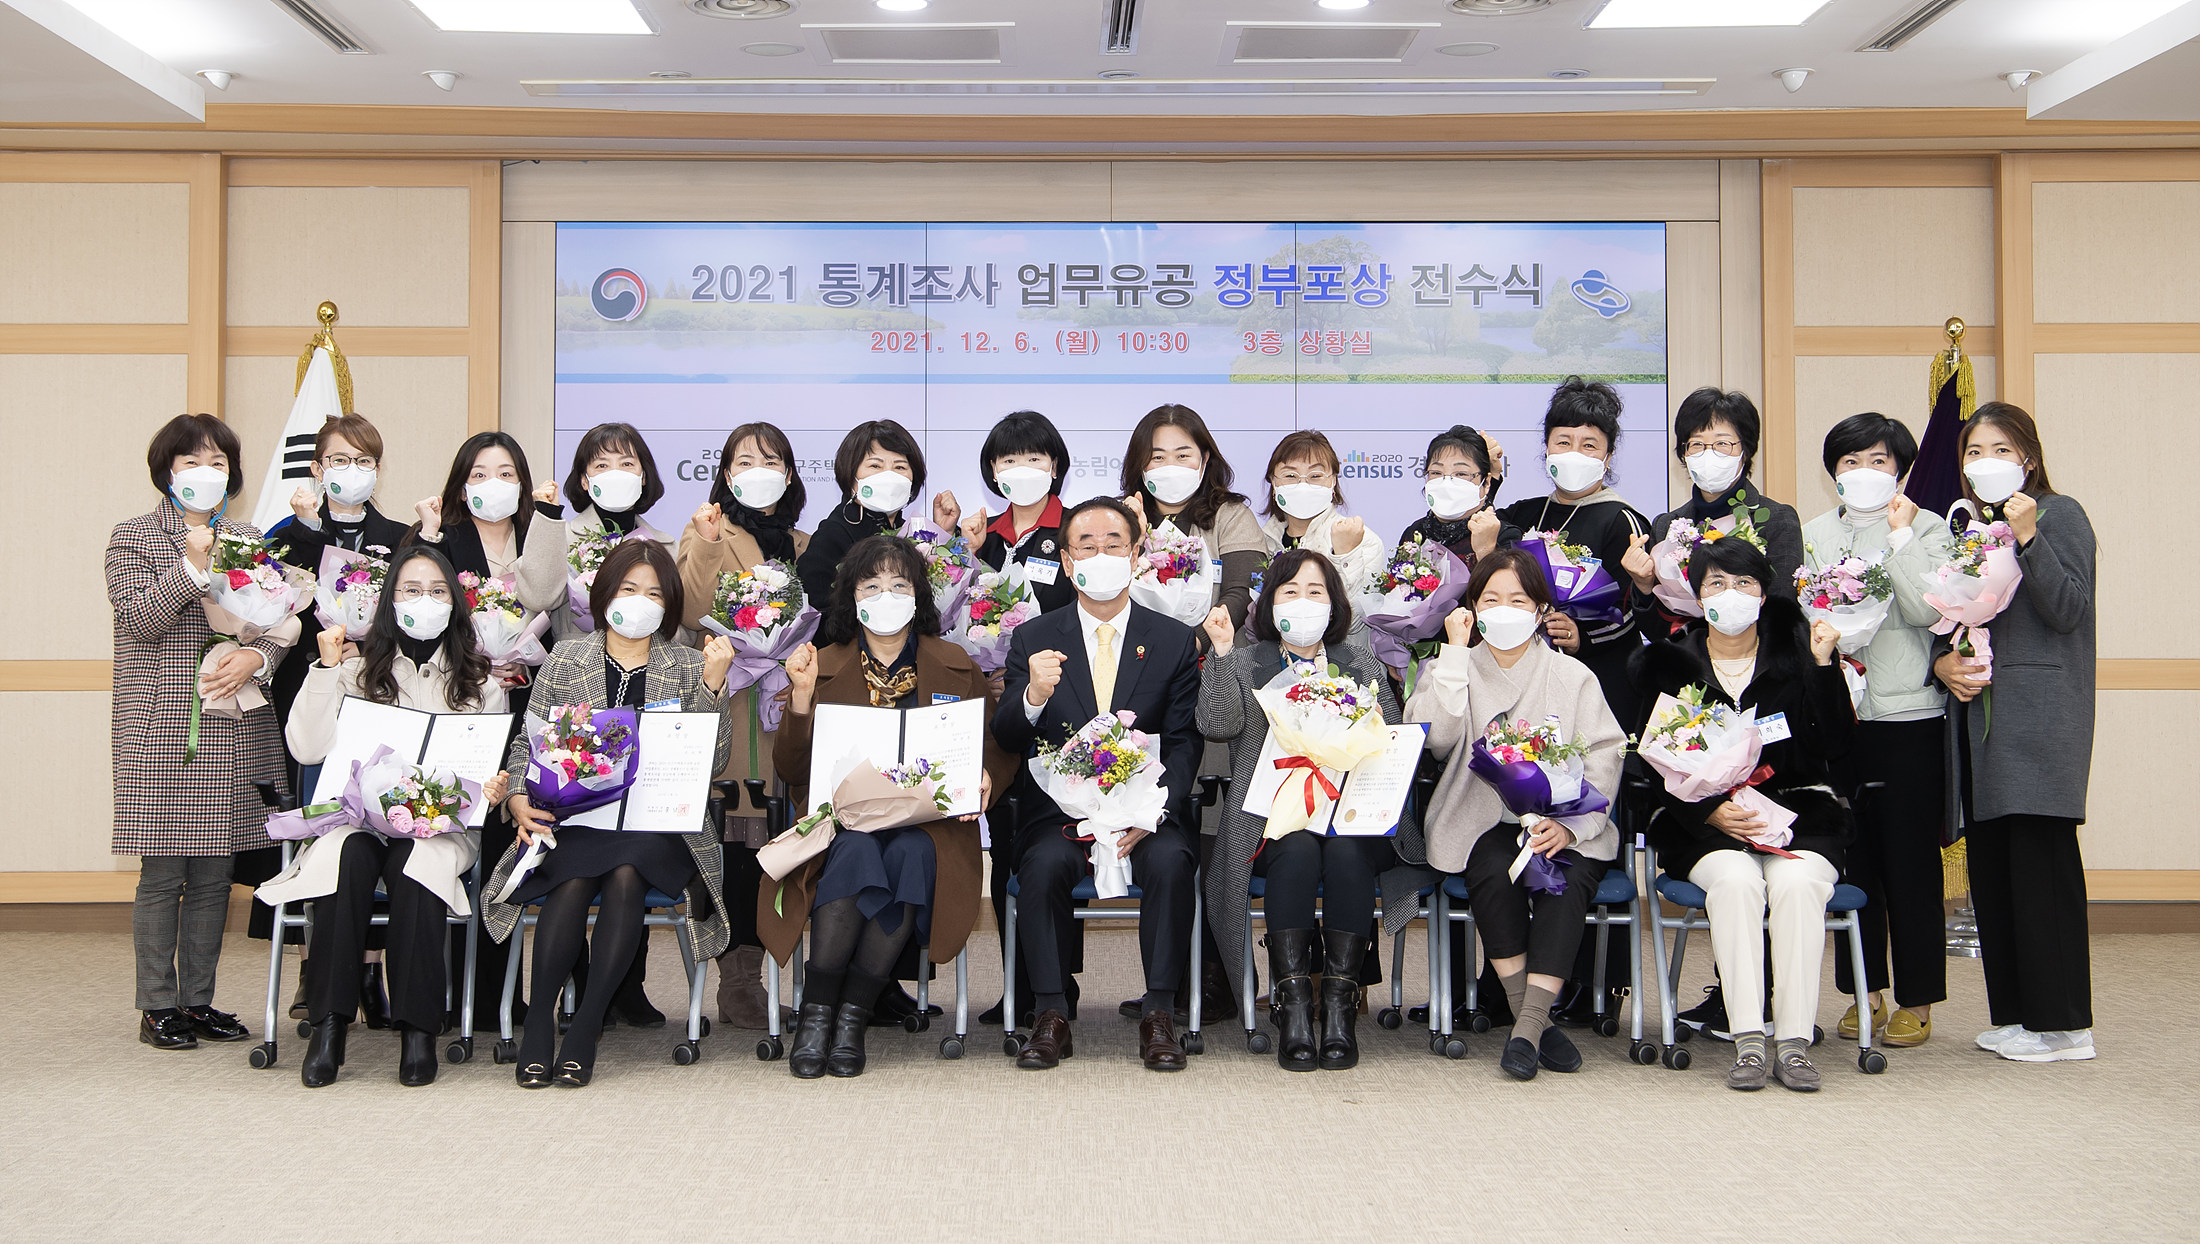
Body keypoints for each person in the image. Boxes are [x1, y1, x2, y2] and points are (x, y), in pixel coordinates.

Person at [483, 540, 737, 1088]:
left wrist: (714, 687)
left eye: (654, 593)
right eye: (628, 588)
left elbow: (712, 763)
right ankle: (539, 1023)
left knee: (625, 872)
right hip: (577, 819)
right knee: (573, 880)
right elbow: (528, 742)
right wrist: (518, 797)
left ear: (669, 605)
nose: (640, 601)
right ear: (604, 594)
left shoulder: (690, 665)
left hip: (657, 827)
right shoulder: (566, 658)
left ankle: (586, 1026)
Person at [761, 535, 1016, 1077]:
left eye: (899, 585)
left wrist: (986, 773)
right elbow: (791, 770)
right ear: (851, 597)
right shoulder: (821, 665)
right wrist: (801, 700)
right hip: (842, 826)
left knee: (911, 855)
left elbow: (994, 742)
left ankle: (851, 1017)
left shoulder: (955, 663)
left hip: (931, 827)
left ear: (918, 596)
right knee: (857, 852)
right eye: (871, 585)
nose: (886, 596)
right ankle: (818, 1014)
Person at [263, 545, 510, 1087]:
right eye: (411, 590)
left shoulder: (482, 685)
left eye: (438, 591)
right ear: (390, 600)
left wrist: (491, 790)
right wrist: (326, 670)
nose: (425, 600)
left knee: (415, 863)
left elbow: (482, 776)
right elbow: (306, 748)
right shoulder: (354, 672)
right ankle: (329, 1024)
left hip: (437, 828)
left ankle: (418, 1027)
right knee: (346, 858)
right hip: (356, 819)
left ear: (456, 603)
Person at [1633, 536, 1852, 1092]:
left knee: (1797, 883)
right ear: (1697, 595)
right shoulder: (1667, 664)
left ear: (1763, 593)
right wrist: (1710, 813)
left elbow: (1836, 746)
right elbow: (1648, 766)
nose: (1730, 594)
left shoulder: (1800, 655)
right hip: (1701, 824)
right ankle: (1749, 1039)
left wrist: (1823, 666)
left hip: (1798, 813)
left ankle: (1794, 1041)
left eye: (1744, 583)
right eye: (1717, 583)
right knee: (1735, 882)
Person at [993, 497, 1203, 1072]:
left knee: (1171, 862)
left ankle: (1160, 1012)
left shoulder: (1173, 639)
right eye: (1086, 545)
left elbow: (1183, 741)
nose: (1101, 554)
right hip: (1061, 813)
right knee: (1042, 865)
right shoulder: (1034, 636)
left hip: (1146, 812)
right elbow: (1007, 734)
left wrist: (1153, 813)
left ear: (1136, 556)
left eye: (1114, 544)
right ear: (1066, 561)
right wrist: (1032, 695)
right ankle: (1051, 1012)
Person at [110, 414, 294, 1050]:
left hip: (232, 727)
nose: (205, 472)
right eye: (191, 461)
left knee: (216, 878)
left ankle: (197, 1001)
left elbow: (278, 621)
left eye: (217, 462)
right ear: (167, 470)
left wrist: (257, 657)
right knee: (164, 876)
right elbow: (140, 617)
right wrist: (191, 564)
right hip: (161, 729)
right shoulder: (134, 537)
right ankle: (157, 1005)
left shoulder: (248, 538)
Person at [1406, 548, 1626, 1080]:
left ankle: (1526, 1027)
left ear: (1541, 608)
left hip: (1565, 822)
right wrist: (1453, 655)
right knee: (1489, 868)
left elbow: (1606, 752)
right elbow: (1434, 740)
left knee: (1565, 879)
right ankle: (1535, 1022)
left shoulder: (1573, 676)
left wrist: (1570, 827)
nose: (1504, 610)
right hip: (1481, 819)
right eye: (1491, 600)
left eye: (1518, 600)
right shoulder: (1451, 667)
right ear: (1472, 608)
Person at [1934, 403, 2097, 1063]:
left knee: (2040, 869)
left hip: (2039, 718)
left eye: (2001, 449)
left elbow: (2069, 609)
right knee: (1996, 870)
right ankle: (2020, 1016)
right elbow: (1952, 616)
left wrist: (2028, 538)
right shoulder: (1971, 526)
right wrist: (1943, 664)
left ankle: (2065, 1027)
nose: (1986, 462)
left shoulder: (2061, 514)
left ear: (2028, 457)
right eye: (1974, 452)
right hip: (1980, 718)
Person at [1196, 548, 1401, 1072]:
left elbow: (1394, 734)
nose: (1304, 602)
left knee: (1348, 858)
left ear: (1334, 604)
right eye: (1290, 592)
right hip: (1270, 822)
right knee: (1298, 853)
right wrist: (1221, 653)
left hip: (1351, 816)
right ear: (1269, 603)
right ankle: (1293, 1009)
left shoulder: (1361, 662)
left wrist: (1364, 725)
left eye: (1316, 592)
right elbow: (1217, 725)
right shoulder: (1247, 661)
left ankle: (1339, 1009)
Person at [1802, 413, 1954, 1048]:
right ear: (1833, 471)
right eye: (1850, 461)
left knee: (1909, 862)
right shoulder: (1814, 533)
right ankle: (1864, 991)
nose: (1864, 472)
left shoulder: (1929, 528)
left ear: (1900, 470)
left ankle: (1917, 997)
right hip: (1841, 717)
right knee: (1851, 859)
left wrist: (1899, 539)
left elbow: (1927, 610)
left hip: (1907, 715)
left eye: (1878, 461)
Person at [402, 430, 554, 1028]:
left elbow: (560, 612)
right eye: (481, 474)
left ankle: (498, 996)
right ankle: (446, 993)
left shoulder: (541, 532)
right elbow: (414, 616)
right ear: (462, 486)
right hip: (459, 707)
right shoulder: (440, 537)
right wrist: (476, 666)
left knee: (511, 846)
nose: (496, 484)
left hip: (528, 706)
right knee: (456, 832)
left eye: (507, 473)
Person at [673, 421, 810, 1029]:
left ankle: (779, 970)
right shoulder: (708, 531)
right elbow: (689, 610)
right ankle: (737, 981)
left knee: (781, 842)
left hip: (786, 712)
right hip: (727, 710)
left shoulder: (805, 544)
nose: (759, 471)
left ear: (789, 473)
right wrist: (706, 545)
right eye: (745, 461)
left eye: (771, 460)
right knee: (733, 841)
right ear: (726, 475)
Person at [1495, 377, 1653, 728]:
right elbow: (1482, 532)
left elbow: (1634, 611)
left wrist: (1584, 636)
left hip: (1602, 684)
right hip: (1528, 685)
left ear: (1608, 457)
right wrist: (1489, 481)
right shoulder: (1524, 512)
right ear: (1547, 449)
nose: (1574, 454)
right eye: (1563, 442)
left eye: (1589, 445)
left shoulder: (1622, 520)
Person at [1630, 388, 1804, 628]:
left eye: (1722, 443)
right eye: (1696, 444)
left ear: (1745, 451)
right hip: (1689, 650)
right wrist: (1643, 586)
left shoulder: (1776, 519)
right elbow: (1656, 630)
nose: (1708, 453)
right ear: (1684, 453)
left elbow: (1783, 614)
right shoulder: (1667, 526)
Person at [518, 421, 678, 644]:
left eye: (627, 464)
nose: (615, 474)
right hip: (575, 659)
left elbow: (683, 627)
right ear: (585, 480)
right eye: (602, 465)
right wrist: (547, 515)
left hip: (649, 660)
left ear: (643, 477)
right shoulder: (561, 538)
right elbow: (538, 598)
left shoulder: (667, 547)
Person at [1119, 404, 1264, 629]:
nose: (1170, 466)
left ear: (1204, 459)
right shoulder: (1119, 517)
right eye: (1158, 457)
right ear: (1140, 464)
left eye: (1182, 455)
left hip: (1214, 647)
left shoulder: (1232, 515)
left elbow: (1243, 591)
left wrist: (1194, 642)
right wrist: (1132, 538)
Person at [795, 419, 960, 611]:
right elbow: (817, 609)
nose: (888, 476)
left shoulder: (912, 533)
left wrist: (943, 534)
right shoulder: (832, 534)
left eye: (900, 467)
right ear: (850, 474)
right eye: (875, 466)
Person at [960, 409, 1077, 616]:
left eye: (1034, 459)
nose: (1022, 470)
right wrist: (969, 552)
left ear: (1054, 466)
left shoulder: (1076, 529)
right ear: (994, 469)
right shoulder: (981, 534)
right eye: (1009, 461)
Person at [1257, 430, 1383, 602]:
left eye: (1315, 476)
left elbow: (1358, 614)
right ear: (1273, 482)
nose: (1302, 485)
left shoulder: (1364, 541)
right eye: (1290, 476)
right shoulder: (1260, 542)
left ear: (1333, 482)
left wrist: (1345, 555)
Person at [1397, 423, 1519, 571]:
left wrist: (1486, 551)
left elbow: (1508, 584)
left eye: (1461, 474)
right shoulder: (1415, 532)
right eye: (1436, 473)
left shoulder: (1504, 536)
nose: (1447, 483)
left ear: (1486, 482)